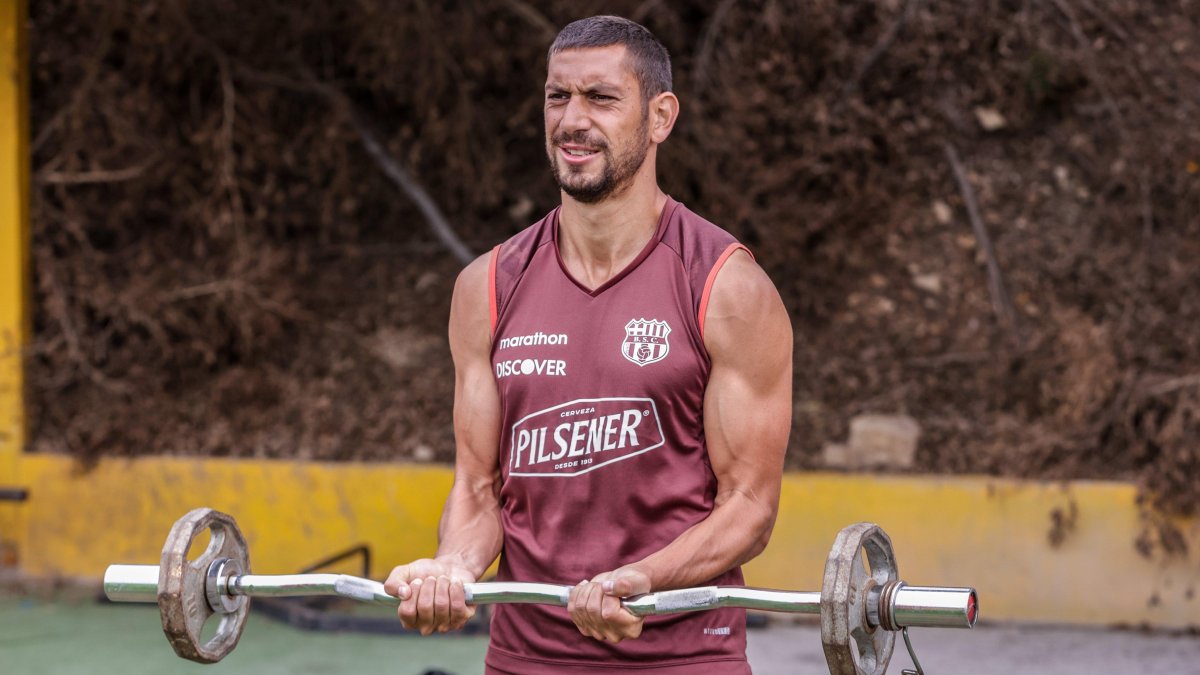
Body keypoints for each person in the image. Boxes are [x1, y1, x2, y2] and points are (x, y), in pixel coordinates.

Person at [384, 15, 792, 674]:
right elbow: (479, 488)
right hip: (524, 659)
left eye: (600, 98)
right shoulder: (486, 287)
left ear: (660, 117)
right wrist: (454, 565)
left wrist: (642, 577)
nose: (573, 119)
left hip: (681, 659)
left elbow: (750, 507)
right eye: (557, 96)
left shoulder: (725, 288)